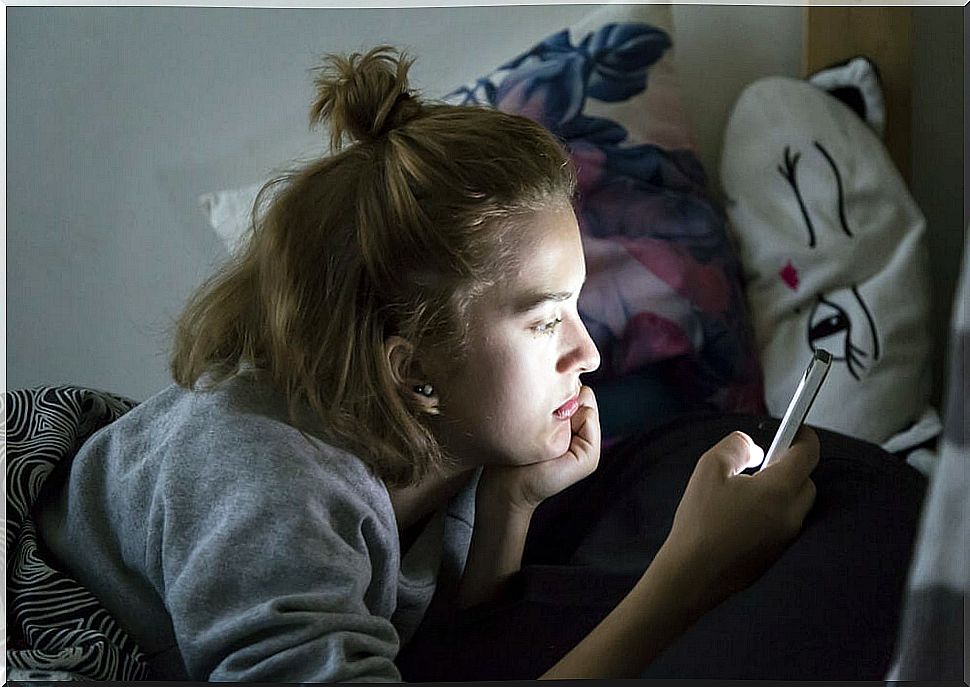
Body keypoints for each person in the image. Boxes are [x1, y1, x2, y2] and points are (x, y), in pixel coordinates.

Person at [35, 46, 818, 682]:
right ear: (410, 368)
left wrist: (513, 504)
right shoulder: (268, 488)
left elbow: (435, 641)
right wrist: (686, 578)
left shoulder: (438, 430)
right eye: (547, 320)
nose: (588, 351)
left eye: (576, 308)